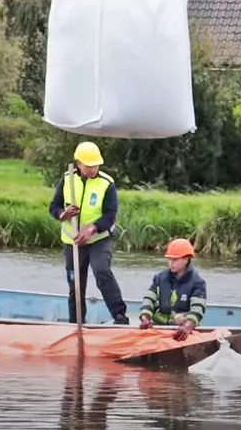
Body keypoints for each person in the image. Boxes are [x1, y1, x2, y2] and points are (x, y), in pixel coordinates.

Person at [48, 141, 129, 325]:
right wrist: (63, 214)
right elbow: (53, 207)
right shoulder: (67, 180)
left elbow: (110, 215)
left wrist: (92, 228)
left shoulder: (106, 183)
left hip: (99, 239)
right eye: (89, 166)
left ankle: (120, 316)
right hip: (73, 242)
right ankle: (76, 323)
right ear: (78, 164)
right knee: (75, 283)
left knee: (102, 271)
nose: (93, 169)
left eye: (96, 165)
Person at [138, 238, 207, 341]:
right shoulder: (160, 278)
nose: (170, 263)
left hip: (182, 330)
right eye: (169, 259)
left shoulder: (198, 283)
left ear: (186, 259)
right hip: (159, 327)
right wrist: (145, 316)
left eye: (175, 260)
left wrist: (187, 325)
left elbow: (198, 309)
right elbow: (149, 298)